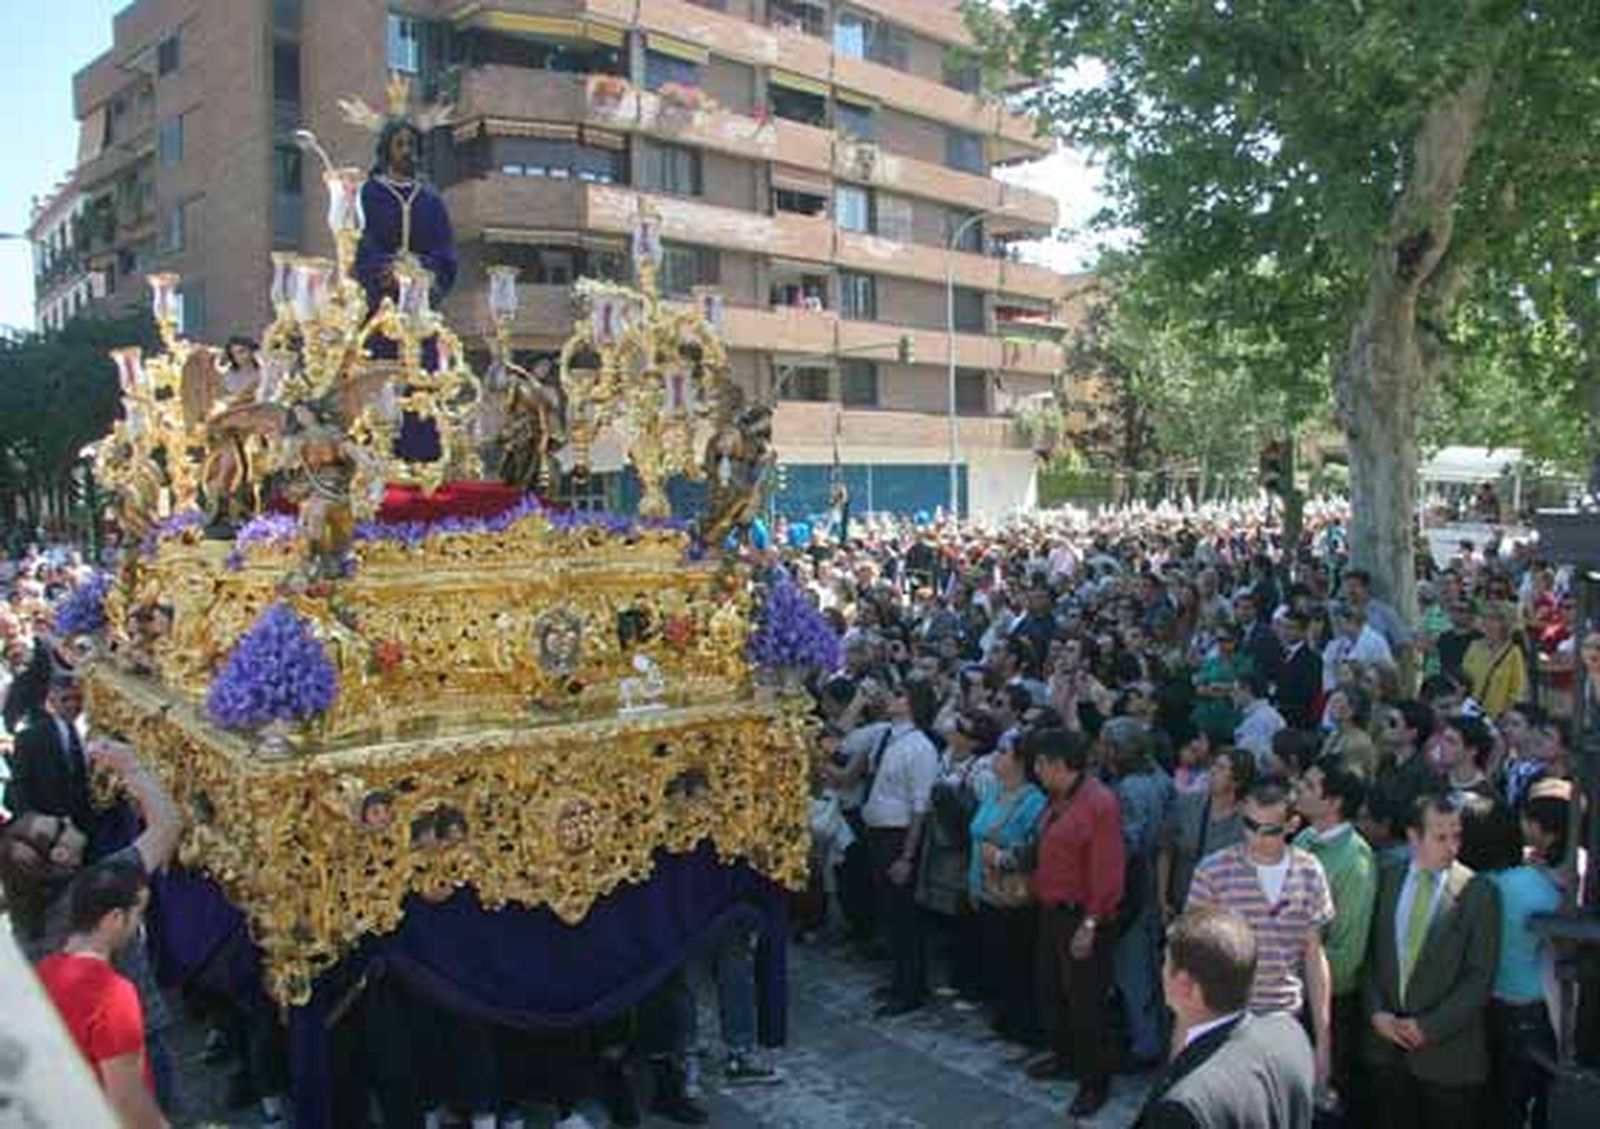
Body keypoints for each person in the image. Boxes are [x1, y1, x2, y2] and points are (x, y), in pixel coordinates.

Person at [0, 739, 183, 1111]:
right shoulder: (100, 885)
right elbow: (167, 825)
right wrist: (131, 766)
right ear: (62, 856)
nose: (66, 819)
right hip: (132, 1049)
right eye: (58, 827)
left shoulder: (26, 908)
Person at [1185, 778, 1336, 1089]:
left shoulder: (1310, 871)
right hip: (1222, 1022)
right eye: (1249, 824)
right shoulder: (1212, 870)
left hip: (1283, 1022)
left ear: (1292, 824)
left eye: (1267, 829)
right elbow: (1191, 958)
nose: (1254, 836)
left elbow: (1313, 955)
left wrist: (1323, 1040)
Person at [1364, 793, 1501, 1129]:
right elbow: (1370, 956)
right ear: (1413, 836)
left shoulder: (1478, 892)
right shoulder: (1388, 878)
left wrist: (1429, 1026)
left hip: (1448, 1060)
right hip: (1387, 1050)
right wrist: (1377, 1012)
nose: (1452, 846)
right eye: (1441, 837)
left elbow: (1479, 977)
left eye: (1457, 836)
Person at [1017, 727, 1124, 1118]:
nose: (1036, 771)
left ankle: (1094, 1082)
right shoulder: (1057, 797)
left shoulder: (1100, 803)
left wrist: (1091, 923)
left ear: (1059, 765)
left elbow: (1107, 871)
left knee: (1086, 1002)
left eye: (1041, 764)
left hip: (1083, 915)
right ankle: (1066, 1059)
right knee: (1052, 989)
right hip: (1052, 909)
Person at [1132, 908, 1315, 1129]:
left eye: (1165, 963)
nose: (1161, 971)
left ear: (1186, 986)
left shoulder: (1185, 1106)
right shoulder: (1290, 1032)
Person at [35, 859, 169, 1129]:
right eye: (138, 914)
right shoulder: (114, 995)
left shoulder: (42, 972)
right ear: (115, 918)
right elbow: (127, 1101)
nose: (139, 925)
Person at [1294, 756, 1379, 1121]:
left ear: (1334, 803)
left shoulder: (1355, 861)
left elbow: (1346, 954)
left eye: (1310, 786)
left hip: (1326, 1003)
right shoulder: (1304, 838)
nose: (1299, 788)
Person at [860, 679, 941, 1016]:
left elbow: (920, 806)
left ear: (911, 703)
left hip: (899, 835)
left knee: (904, 916)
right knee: (889, 914)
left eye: (898, 695)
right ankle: (898, 979)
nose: (889, 699)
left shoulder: (920, 747)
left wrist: (907, 856)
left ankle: (910, 989)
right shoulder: (887, 736)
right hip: (878, 832)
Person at [969, 731, 1047, 1045]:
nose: (995, 757)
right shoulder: (994, 790)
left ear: (1020, 761)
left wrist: (1000, 858)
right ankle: (1005, 1016)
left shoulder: (1034, 801)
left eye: (1003, 752)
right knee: (996, 960)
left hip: (1013, 895)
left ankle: (1024, 1026)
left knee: (1018, 962)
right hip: (985, 889)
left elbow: (1035, 851)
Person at [4, 673, 93, 844]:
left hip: (87, 827)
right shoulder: (30, 737)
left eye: (78, 698)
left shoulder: (93, 733)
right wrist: (33, 821)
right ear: (51, 703)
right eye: (65, 699)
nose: (73, 704)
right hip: (49, 830)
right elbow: (20, 784)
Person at [1462, 603, 1529, 719]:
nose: (1487, 623)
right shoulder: (1474, 646)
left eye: (1493, 619)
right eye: (1485, 618)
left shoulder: (1514, 653)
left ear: (1505, 623)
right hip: (1470, 712)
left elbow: (1517, 691)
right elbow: (1463, 678)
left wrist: (1505, 717)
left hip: (1496, 717)